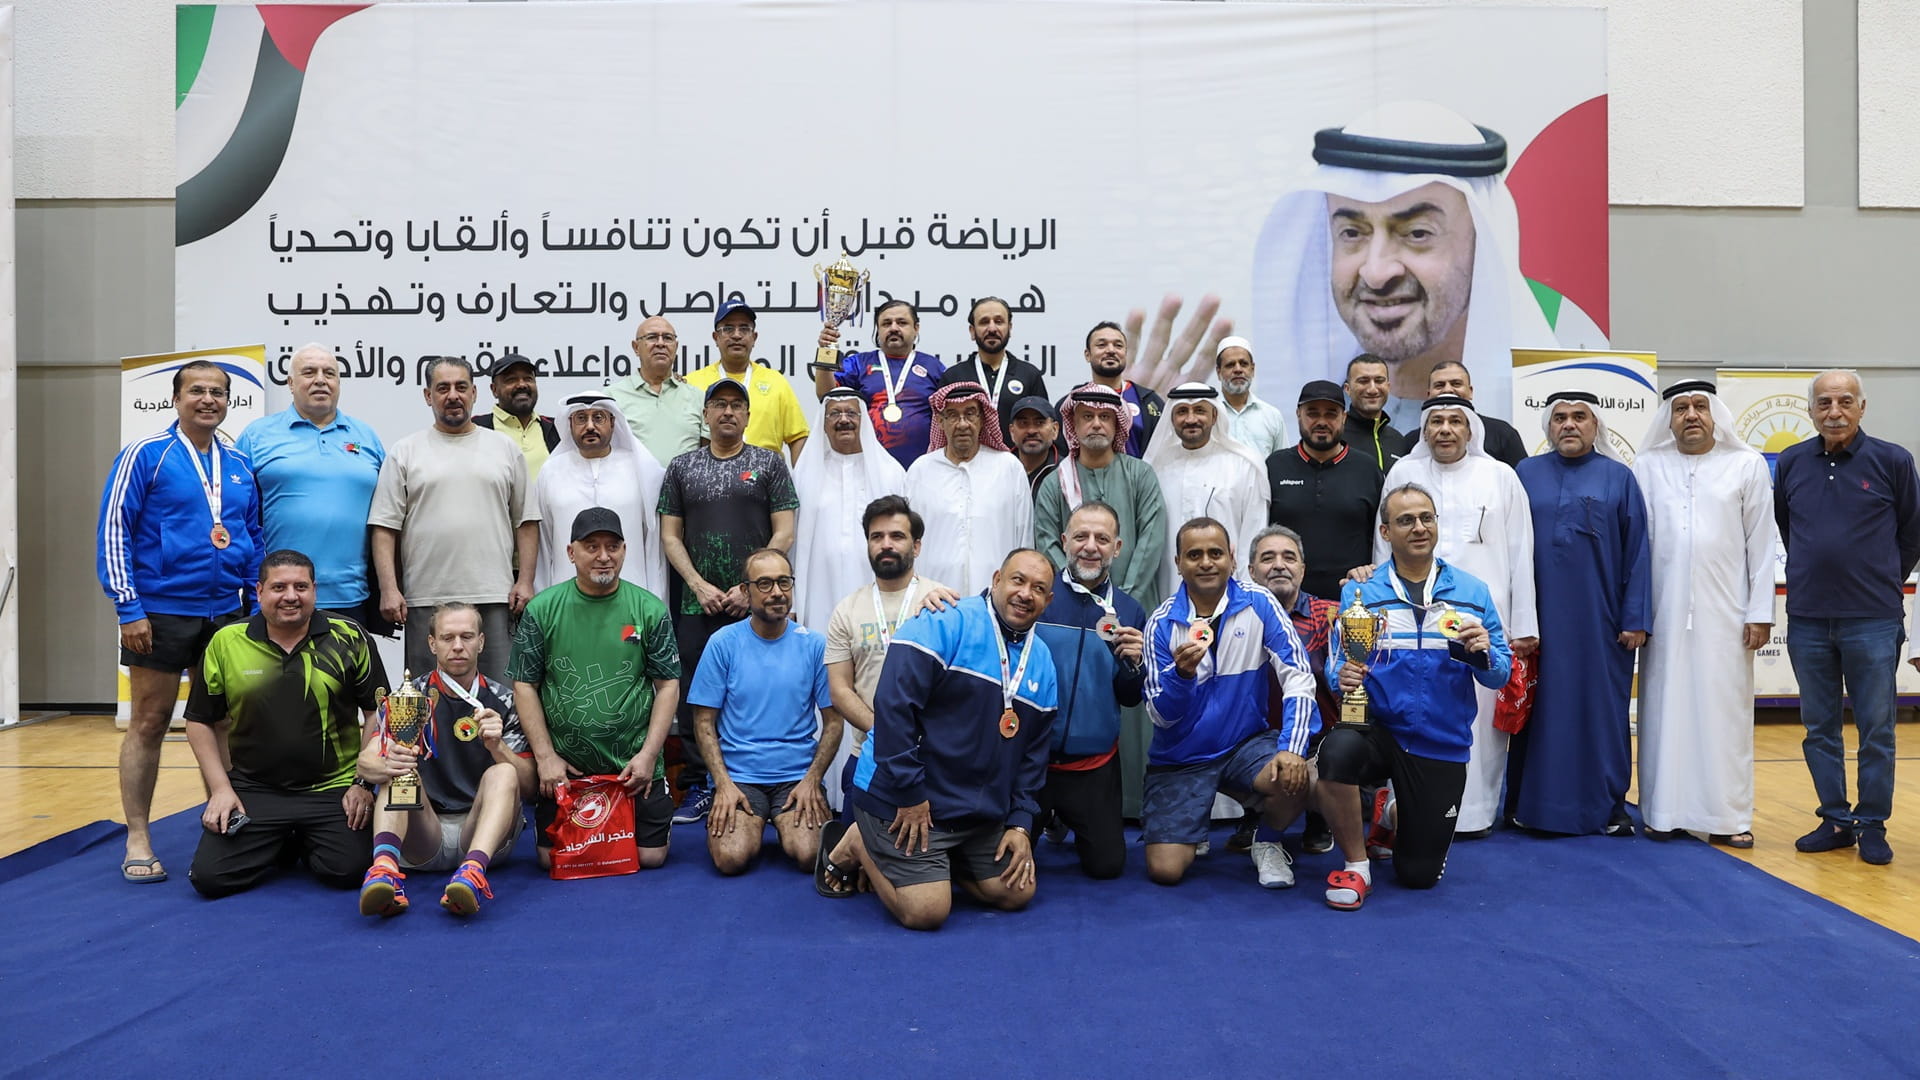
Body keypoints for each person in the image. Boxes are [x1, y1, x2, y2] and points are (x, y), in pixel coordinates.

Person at [1253, 101, 1557, 424]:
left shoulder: (1547, 419)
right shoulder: (1305, 419)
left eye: (1417, 233)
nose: (1376, 272)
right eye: (1352, 232)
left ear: (1480, 243)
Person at [815, 549, 1059, 931]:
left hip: (973, 814)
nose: (1026, 593)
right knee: (927, 912)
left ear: (1049, 600)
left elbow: (1032, 756)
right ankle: (859, 842)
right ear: (997, 579)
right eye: (1018, 580)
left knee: (1018, 891)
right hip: (906, 800)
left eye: (1038, 588)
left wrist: (1020, 823)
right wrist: (909, 794)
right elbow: (893, 708)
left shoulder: (1042, 662)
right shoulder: (945, 620)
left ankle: (938, 865)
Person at [96, 358, 264, 884]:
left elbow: (253, 535)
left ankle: (227, 823)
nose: (208, 400)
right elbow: (114, 530)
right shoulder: (146, 455)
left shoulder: (238, 464)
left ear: (229, 401)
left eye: (218, 392)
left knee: (224, 723)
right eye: (197, 391)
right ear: (176, 398)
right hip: (161, 611)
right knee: (149, 722)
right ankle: (138, 836)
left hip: (227, 614)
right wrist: (128, 607)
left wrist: (255, 605)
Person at [1319, 484, 1513, 911]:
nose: (1419, 527)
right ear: (1386, 532)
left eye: (1426, 518)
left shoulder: (1472, 592)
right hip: (1377, 729)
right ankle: (1357, 865)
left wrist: (1483, 653)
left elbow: (1501, 673)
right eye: (1406, 520)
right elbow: (1338, 666)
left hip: (1439, 741)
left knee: (1417, 876)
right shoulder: (1362, 592)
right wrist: (1341, 675)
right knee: (1335, 753)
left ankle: (1390, 812)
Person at [1777, 370, 1920, 866]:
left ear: (1862, 407)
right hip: (1808, 617)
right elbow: (1787, 526)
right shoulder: (1791, 462)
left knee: (1876, 730)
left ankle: (1872, 823)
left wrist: (1880, 579)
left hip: (1873, 618)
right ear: (1811, 410)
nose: (1833, 411)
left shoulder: (1893, 460)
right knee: (1819, 727)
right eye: (1824, 402)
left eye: (1844, 401)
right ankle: (1835, 819)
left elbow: (1912, 532)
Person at [1378, 395, 1537, 836]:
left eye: (1455, 421)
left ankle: (1474, 814)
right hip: (1411, 620)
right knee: (1413, 706)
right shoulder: (1403, 474)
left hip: (1483, 620)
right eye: (1436, 421)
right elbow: (1382, 546)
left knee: (1480, 719)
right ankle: (1407, 811)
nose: (1445, 429)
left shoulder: (1500, 476)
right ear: (1424, 430)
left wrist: (1524, 624)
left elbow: (1522, 550)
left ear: (1471, 429)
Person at [182, 550, 384, 898]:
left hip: (333, 788)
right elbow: (200, 721)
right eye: (279, 587)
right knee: (210, 879)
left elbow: (377, 713)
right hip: (256, 788)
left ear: (314, 590)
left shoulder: (350, 636)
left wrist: (362, 784)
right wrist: (221, 789)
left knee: (348, 871)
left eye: (300, 587)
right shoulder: (226, 641)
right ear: (259, 591)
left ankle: (292, 838)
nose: (291, 596)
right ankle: (286, 837)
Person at [1632, 381, 1775, 848]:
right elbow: (1636, 547)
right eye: (1680, 409)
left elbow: (1761, 545)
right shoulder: (1648, 466)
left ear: (1715, 415)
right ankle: (1663, 812)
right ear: (1668, 419)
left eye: (1699, 407)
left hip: (1728, 615)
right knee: (1663, 712)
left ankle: (1727, 817)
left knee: (1725, 715)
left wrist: (1760, 612)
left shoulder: (1746, 465)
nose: (1690, 415)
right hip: (1663, 614)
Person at [1141, 517, 1321, 888]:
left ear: (1232, 559)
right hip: (1182, 757)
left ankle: (1266, 841)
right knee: (1166, 871)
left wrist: (1292, 748)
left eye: (1215, 553)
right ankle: (1192, 826)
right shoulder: (1161, 623)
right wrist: (1181, 677)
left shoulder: (1260, 602)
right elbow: (1160, 716)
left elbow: (1299, 676)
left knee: (1303, 775)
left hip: (1244, 745)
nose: (1206, 562)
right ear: (1178, 563)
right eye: (1194, 555)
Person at [1508, 391, 1651, 836]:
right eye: (1560, 418)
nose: (1569, 424)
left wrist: (1635, 618)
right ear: (1548, 427)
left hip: (1600, 621)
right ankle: (1532, 806)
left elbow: (1638, 551)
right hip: (1539, 620)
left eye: (1579, 417)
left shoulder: (1619, 477)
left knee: (1601, 712)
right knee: (1542, 712)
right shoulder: (1525, 473)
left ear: (1595, 426)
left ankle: (1608, 806)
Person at [659, 377, 799, 823]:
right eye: (718, 404)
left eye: (736, 405)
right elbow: (670, 535)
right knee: (696, 695)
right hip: (696, 603)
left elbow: (785, 531)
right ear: (705, 414)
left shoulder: (769, 463)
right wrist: (697, 584)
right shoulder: (682, 467)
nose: (727, 412)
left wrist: (748, 586)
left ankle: (761, 782)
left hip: (757, 604)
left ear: (748, 416)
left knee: (757, 690)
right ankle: (701, 783)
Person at [511, 508, 681, 872]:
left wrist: (649, 755)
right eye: (592, 547)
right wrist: (545, 758)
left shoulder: (649, 610)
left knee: (651, 858)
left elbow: (668, 685)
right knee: (549, 859)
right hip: (568, 770)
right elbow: (524, 684)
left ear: (624, 550)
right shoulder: (541, 610)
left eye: (612, 546)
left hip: (633, 768)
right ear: (571, 552)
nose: (604, 556)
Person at [356, 602, 535, 918]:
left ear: (481, 641)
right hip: (424, 832)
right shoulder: (409, 698)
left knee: (505, 772)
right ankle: (384, 871)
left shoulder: (503, 702)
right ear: (432, 644)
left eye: (467, 636)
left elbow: (530, 787)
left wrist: (498, 748)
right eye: (447, 637)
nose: (457, 646)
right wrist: (384, 764)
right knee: (397, 769)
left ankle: (472, 875)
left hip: (482, 834)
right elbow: (365, 762)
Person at [369, 356, 537, 683]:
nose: (453, 395)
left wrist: (526, 581)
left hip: (494, 596)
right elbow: (385, 527)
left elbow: (526, 521)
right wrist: (389, 588)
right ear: (427, 396)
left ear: (474, 393)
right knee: (427, 698)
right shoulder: (405, 451)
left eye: (461, 387)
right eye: (442, 388)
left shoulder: (505, 449)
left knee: (499, 696)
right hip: (426, 598)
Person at [688, 549, 840, 874]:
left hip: (797, 777)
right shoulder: (722, 643)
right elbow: (703, 722)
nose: (777, 592)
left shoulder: (815, 645)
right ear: (746, 591)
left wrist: (812, 781)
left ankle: (787, 819)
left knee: (810, 855)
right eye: (765, 584)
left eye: (784, 582)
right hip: (739, 777)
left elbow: (834, 722)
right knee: (731, 859)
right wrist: (723, 784)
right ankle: (747, 820)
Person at [1031, 502, 1149, 879]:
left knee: (1107, 867)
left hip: (1092, 766)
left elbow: (1130, 697)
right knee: (1000, 868)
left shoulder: (1129, 611)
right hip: (1031, 761)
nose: (1090, 546)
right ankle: (1049, 817)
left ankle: (1065, 816)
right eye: (1081, 536)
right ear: (1065, 541)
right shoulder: (1036, 597)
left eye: (1102, 538)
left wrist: (1136, 664)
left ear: (1117, 548)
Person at [236, 342, 387, 627]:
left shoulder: (366, 437)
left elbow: (387, 516)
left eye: (329, 373)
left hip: (351, 596)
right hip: (280, 595)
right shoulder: (257, 436)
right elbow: (237, 514)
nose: (320, 380)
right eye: (309, 372)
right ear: (290, 383)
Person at [824, 496, 955, 816]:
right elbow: (840, 690)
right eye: (876, 537)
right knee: (856, 846)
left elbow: (958, 686)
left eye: (897, 536)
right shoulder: (847, 610)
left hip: (929, 761)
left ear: (917, 546)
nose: (886, 544)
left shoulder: (943, 603)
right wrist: (886, 732)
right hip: (867, 755)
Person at [1037, 383, 1169, 609]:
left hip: (1136, 605)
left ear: (1116, 424)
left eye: (1105, 417)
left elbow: (1151, 542)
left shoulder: (1141, 474)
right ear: (1074, 424)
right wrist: (1077, 594)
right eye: (1087, 416)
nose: (1096, 424)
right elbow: (1047, 543)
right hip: (1072, 606)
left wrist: (1125, 600)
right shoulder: (1055, 481)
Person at [792, 387, 908, 636]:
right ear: (824, 424)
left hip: (875, 586)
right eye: (835, 413)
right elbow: (792, 540)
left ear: (863, 419)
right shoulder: (805, 474)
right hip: (819, 589)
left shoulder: (890, 472)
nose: (843, 420)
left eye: (851, 413)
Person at [531, 393, 667, 600]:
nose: (590, 426)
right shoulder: (550, 471)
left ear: (612, 422)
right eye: (581, 418)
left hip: (632, 598)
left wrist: (655, 599)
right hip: (567, 599)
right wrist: (544, 600)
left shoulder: (642, 469)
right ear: (569, 424)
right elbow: (543, 544)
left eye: (598, 418)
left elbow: (653, 546)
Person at [904, 381, 1033, 594]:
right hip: (933, 599)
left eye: (970, 414)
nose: (962, 424)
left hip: (995, 599)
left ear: (982, 419)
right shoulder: (920, 471)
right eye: (953, 415)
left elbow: (1024, 538)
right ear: (940, 421)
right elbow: (908, 541)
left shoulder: (1009, 468)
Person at [1144, 382, 1269, 596]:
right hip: (1169, 588)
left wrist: (1247, 593)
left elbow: (1253, 534)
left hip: (1231, 591)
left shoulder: (1244, 465)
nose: (1191, 419)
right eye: (1182, 411)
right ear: (1171, 418)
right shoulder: (1156, 466)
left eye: (1200, 410)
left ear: (1214, 415)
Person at [1266, 379, 1386, 602]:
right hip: (1284, 600)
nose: (1321, 422)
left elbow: (1382, 538)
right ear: (1298, 415)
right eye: (1312, 413)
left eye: (1331, 414)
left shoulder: (1367, 469)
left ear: (1344, 417)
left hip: (1353, 600)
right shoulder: (1274, 466)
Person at [816, 298, 946, 468]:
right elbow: (826, 395)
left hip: (922, 468)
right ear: (878, 330)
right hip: (869, 469)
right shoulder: (859, 364)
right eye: (886, 323)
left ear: (916, 328)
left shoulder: (934, 367)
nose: (894, 328)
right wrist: (826, 350)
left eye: (902, 322)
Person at [686, 299, 809, 463]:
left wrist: (800, 477)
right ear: (716, 337)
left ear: (754, 337)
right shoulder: (692, 383)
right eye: (728, 328)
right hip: (710, 476)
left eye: (744, 329)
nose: (736, 335)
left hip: (766, 476)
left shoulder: (776, 382)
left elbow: (798, 437)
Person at [938, 296, 1051, 429]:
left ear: (1009, 328)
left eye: (998, 321)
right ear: (972, 331)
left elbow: (1043, 427)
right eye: (984, 322)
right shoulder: (952, 377)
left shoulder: (1030, 375)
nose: (992, 329)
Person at [609, 315, 706, 469]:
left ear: (676, 346)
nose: (660, 343)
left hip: (685, 485)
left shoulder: (698, 398)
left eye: (667, 338)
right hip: (633, 484)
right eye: (652, 337)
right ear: (636, 347)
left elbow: (709, 453)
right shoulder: (612, 397)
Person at [1398, 361, 1528, 467]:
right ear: (1428, 394)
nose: (1448, 390)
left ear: (1470, 391)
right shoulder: (1412, 440)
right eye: (1439, 385)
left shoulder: (1502, 434)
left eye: (1456, 384)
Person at [1078, 321, 1163, 456]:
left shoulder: (1150, 401)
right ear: (1087, 355)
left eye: (1118, 345)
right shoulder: (1074, 401)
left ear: (1125, 354)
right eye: (1102, 345)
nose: (1111, 350)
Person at [473, 353, 560, 480]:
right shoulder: (475, 428)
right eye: (511, 380)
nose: (521, 385)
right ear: (494, 390)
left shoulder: (557, 428)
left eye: (528, 378)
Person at [1212, 337, 1288, 461]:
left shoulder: (1272, 415)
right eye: (1230, 365)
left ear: (1252, 370)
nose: (1238, 369)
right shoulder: (1209, 414)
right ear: (1218, 372)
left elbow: (1282, 464)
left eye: (1243, 364)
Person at [1343, 354, 1404, 472]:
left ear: (1388, 387)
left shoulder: (1398, 440)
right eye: (1363, 381)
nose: (1372, 389)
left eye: (1379, 381)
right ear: (1347, 389)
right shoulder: (1336, 438)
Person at [1008, 395, 1062, 495]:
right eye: (1023, 423)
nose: (1031, 431)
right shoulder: (999, 470)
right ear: (1012, 432)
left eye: (1039, 423)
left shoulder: (1066, 472)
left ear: (1055, 430)